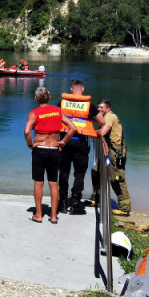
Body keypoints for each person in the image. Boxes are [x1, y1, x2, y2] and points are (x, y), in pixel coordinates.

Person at [24, 86, 67, 224]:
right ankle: (54, 216)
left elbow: (26, 131)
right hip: (54, 149)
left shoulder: (34, 113)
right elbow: (72, 128)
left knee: (39, 183)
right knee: (54, 183)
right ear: (49, 97)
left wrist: (31, 145)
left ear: (36, 99)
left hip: (40, 150)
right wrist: (63, 141)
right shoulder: (58, 111)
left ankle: (38, 215)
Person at [58, 79, 100, 215]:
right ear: (82, 89)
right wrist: (89, 119)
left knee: (64, 172)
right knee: (79, 174)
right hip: (80, 142)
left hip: (65, 141)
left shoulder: (63, 103)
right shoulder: (88, 105)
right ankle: (76, 204)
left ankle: (62, 203)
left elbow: (55, 117)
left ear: (71, 89)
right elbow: (102, 121)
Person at [91, 98, 131, 216]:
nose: (99, 109)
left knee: (117, 179)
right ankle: (97, 199)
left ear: (108, 109)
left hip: (116, 153)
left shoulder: (110, 116)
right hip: (108, 152)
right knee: (96, 172)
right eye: (98, 107)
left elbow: (102, 132)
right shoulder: (105, 117)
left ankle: (124, 208)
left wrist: (88, 131)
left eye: (101, 107)